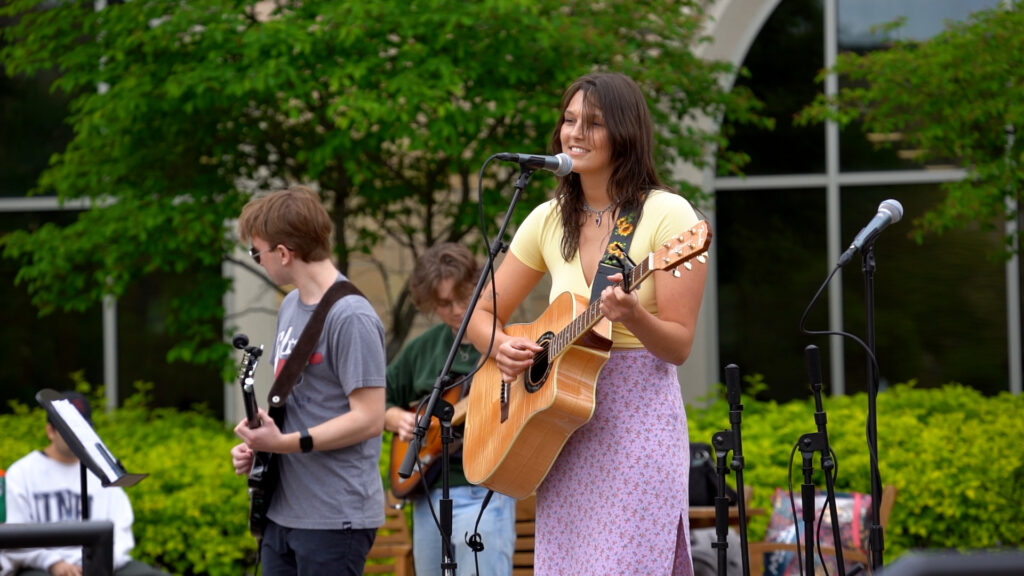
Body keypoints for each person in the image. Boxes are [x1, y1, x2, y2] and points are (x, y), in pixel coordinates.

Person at [465, 73, 708, 575]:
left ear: (625, 133)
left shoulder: (667, 215)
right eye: (569, 120)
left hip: (637, 425)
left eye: (593, 123)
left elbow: (679, 346)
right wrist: (499, 347)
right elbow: (480, 313)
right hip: (560, 427)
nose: (574, 133)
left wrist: (635, 315)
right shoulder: (547, 218)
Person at [229, 185, 387, 575]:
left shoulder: (352, 316)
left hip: (334, 518)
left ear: (283, 253)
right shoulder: (289, 305)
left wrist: (285, 444)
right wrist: (261, 440)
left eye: (257, 252)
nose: (259, 261)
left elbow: (369, 417)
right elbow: (305, 402)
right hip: (282, 512)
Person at [384, 243, 517, 576]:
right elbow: (375, 400)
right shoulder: (421, 349)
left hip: (484, 490)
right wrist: (397, 418)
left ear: (478, 287)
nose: (457, 310)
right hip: (427, 494)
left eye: (463, 297)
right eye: (443, 304)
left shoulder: (509, 341)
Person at [0, 391, 169, 576]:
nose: (77, 437)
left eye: (83, 429)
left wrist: (99, 564)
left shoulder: (104, 470)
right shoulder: (22, 472)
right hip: (44, 567)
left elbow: (122, 532)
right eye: (69, 430)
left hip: (102, 564)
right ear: (50, 431)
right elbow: (15, 539)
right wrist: (54, 563)